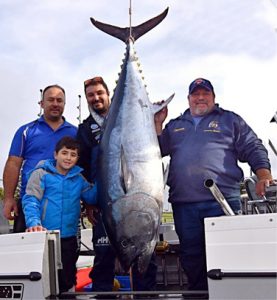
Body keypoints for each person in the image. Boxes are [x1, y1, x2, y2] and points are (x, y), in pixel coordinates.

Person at [154, 78, 273, 298]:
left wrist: (263, 174)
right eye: (195, 94)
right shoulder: (175, 125)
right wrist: (159, 123)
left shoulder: (230, 120)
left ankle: (230, 295)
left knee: (227, 253)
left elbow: (253, 146)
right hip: (184, 204)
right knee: (191, 255)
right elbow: (155, 152)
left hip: (223, 200)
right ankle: (198, 295)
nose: (200, 98)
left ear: (213, 97)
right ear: (189, 99)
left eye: (205, 94)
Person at [77, 76, 157, 298]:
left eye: (99, 93)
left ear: (108, 94)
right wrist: (89, 203)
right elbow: (82, 168)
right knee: (103, 258)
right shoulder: (85, 128)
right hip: (106, 204)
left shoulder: (132, 117)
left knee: (146, 257)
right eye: (90, 95)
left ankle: (147, 296)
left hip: (135, 197)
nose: (95, 98)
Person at [22, 136, 97, 293]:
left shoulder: (79, 178)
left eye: (73, 154)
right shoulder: (41, 174)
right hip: (45, 237)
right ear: (56, 154)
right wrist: (34, 223)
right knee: (45, 280)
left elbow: (92, 197)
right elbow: (31, 200)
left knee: (68, 277)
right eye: (64, 153)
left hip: (69, 238)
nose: (68, 158)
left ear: (77, 158)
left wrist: (102, 178)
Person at [2, 84, 77, 232]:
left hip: (64, 208)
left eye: (59, 100)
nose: (55, 104)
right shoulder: (26, 131)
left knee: (65, 253)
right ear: (42, 104)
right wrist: (9, 198)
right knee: (26, 253)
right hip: (30, 204)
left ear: (64, 104)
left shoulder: (76, 132)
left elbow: (83, 167)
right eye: (50, 100)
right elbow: (13, 164)